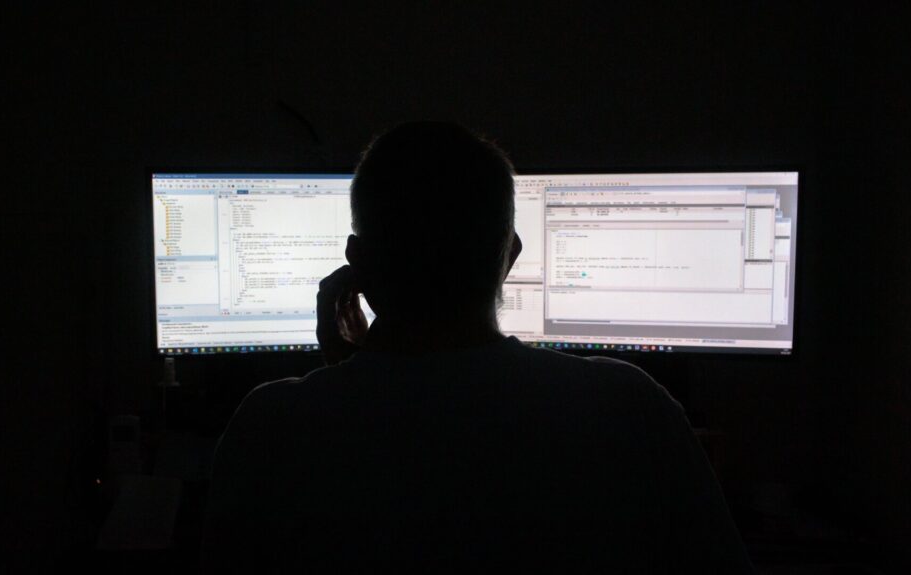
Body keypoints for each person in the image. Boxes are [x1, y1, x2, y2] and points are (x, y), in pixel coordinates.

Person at [201, 122, 753, 573]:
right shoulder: (630, 407)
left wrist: (350, 379)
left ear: (357, 262)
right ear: (509, 255)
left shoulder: (271, 426)